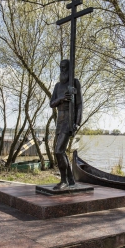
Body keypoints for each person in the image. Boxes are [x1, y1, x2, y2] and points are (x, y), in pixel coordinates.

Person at [50, 59, 83, 190]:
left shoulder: (75, 83)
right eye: (61, 68)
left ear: (69, 69)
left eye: (65, 68)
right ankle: (71, 180)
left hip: (69, 121)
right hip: (59, 120)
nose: (62, 70)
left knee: (58, 151)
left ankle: (63, 181)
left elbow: (80, 104)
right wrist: (61, 99)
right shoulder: (58, 86)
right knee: (60, 151)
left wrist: (77, 123)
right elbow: (52, 103)